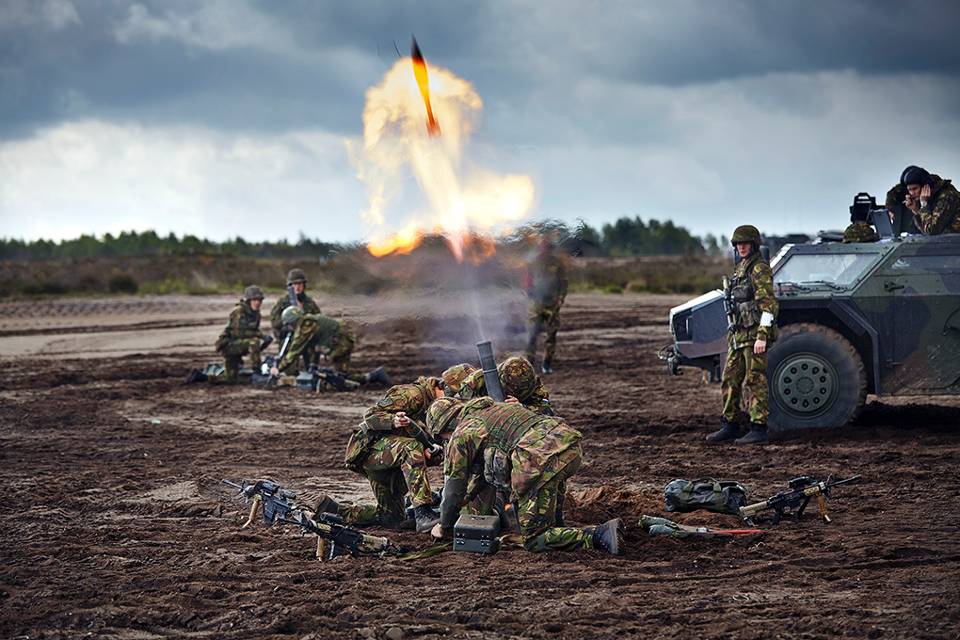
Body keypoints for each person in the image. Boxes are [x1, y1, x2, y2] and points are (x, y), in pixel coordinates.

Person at [427, 397, 622, 555]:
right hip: (567, 446)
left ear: (445, 428)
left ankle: (599, 535)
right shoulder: (493, 409)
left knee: (533, 539)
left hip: (539, 460)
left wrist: (444, 527)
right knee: (546, 518)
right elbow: (482, 478)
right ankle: (559, 530)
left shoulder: (462, 433)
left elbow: (453, 488)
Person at [339, 376, 446, 532]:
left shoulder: (432, 407)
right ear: (442, 387)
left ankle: (335, 511)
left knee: (392, 518)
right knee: (411, 447)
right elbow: (371, 415)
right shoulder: (412, 394)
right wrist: (393, 420)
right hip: (370, 450)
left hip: (388, 460)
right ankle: (423, 512)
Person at [706, 225, 778, 445]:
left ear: (754, 245)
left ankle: (759, 427)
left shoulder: (759, 269)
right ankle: (731, 424)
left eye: (745, 243)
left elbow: (769, 306)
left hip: (755, 333)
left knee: (755, 380)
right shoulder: (740, 268)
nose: (742, 247)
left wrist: (762, 336)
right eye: (738, 244)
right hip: (738, 334)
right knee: (730, 379)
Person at [269, 307, 388, 386]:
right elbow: (311, 347)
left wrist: (278, 368)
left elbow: (294, 351)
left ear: (292, 322)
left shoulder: (305, 326)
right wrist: (313, 365)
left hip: (341, 343)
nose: (290, 328)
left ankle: (372, 377)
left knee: (339, 380)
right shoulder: (309, 320)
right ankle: (373, 376)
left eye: (289, 325)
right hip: (343, 340)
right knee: (340, 376)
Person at [524, 236, 569, 373]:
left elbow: (563, 282)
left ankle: (547, 364)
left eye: (547, 248)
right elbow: (527, 280)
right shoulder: (533, 262)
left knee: (551, 335)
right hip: (536, 304)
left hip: (552, 304)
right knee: (532, 334)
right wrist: (528, 293)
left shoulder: (557, 263)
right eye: (543, 248)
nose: (545, 250)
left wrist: (561, 298)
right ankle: (529, 365)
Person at [457, 356, 554, 415]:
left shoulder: (535, 386)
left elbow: (547, 412)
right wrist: (487, 406)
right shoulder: (479, 379)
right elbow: (464, 406)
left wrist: (523, 408)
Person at [270, 268, 322, 368]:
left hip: (306, 339)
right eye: (294, 284)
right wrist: (285, 325)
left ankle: (311, 368)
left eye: (300, 284)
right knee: (289, 372)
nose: (297, 287)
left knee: (313, 366)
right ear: (290, 286)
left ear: (304, 285)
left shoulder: (309, 303)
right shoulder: (283, 303)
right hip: (289, 339)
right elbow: (274, 322)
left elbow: (319, 320)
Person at [214, 285, 266, 381]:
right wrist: (260, 335)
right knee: (254, 342)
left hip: (239, 344)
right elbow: (238, 333)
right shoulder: (239, 311)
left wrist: (264, 337)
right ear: (248, 300)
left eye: (259, 300)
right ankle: (257, 372)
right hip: (228, 344)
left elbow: (254, 329)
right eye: (254, 300)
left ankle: (202, 377)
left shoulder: (256, 314)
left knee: (231, 379)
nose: (257, 303)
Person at [900, 166, 960, 236]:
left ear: (926, 186)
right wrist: (916, 210)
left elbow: (931, 230)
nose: (912, 193)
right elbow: (925, 231)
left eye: (915, 188)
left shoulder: (946, 196)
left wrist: (924, 205)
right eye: (909, 190)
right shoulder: (929, 197)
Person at [885, 167, 921, 235]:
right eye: (910, 189)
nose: (912, 192)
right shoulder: (900, 190)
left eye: (915, 188)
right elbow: (891, 194)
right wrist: (888, 210)